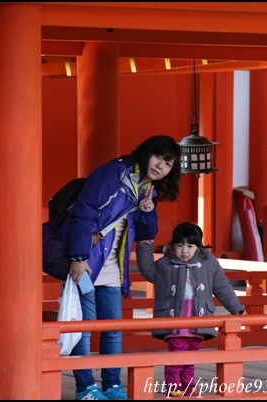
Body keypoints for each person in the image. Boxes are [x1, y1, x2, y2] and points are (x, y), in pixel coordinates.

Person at [64, 135, 182, 400]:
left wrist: (148, 210)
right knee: (83, 327)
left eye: (168, 164)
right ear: (146, 153)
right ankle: (86, 388)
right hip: (89, 259)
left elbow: (144, 234)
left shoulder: (147, 186)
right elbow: (84, 211)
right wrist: (79, 256)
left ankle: (112, 385)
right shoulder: (115, 172)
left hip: (113, 265)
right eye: (158, 158)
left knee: (113, 328)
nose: (161, 166)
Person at [136, 222, 245, 397]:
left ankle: (188, 384)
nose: (184, 250)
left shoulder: (209, 262)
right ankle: (174, 387)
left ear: (198, 246)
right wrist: (144, 246)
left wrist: (235, 307)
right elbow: (148, 270)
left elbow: (222, 286)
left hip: (198, 318)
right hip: (175, 319)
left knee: (192, 355)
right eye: (179, 245)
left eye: (190, 246)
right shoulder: (166, 263)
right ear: (173, 245)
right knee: (176, 355)